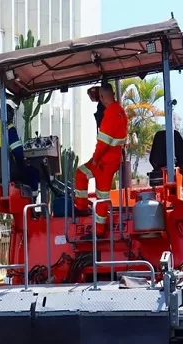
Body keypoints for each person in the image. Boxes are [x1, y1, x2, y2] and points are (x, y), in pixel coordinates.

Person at [73, 81, 128, 234]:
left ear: (102, 97)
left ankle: (98, 230)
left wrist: (95, 159)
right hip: (109, 160)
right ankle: (81, 208)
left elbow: (103, 142)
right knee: (81, 173)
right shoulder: (120, 111)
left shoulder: (111, 114)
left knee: (101, 196)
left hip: (105, 162)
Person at [0, 103, 40, 195]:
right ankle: (32, 199)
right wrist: (24, 163)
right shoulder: (9, 128)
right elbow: (18, 152)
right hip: (8, 172)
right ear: (10, 116)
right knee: (33, 172)